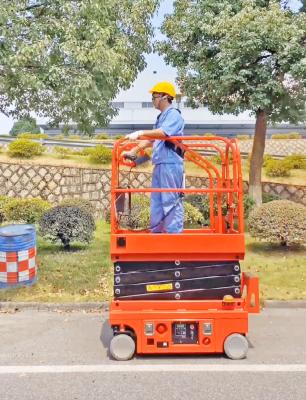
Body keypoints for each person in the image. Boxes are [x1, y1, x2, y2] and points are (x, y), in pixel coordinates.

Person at [124, 81, 185, 233]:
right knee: (157, 202)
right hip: (160, 164)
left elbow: (163, 133)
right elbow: (152, 138)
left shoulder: (174, 115)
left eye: (154, 96)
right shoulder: (161, 117)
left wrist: (140, 132)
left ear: (165, 97)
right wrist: (135, 149)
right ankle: (156, 235)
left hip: (171, 164)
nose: (152, 100)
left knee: (171, 201)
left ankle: (174, 239)